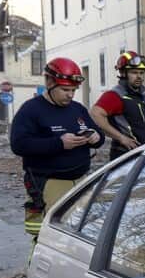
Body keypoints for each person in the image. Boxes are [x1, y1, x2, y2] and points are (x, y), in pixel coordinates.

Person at [10, 57, 104, 241]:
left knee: (79, 233)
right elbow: (19, 144)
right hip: (49, 182)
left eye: (73, 90)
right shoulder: (31, 110)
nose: (70, 95)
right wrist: (59, 143)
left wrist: (96, 137)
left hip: (81, 179)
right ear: (49, 82)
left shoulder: (78, 109)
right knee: (50, 237)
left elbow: (98, 135)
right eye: (65, 90)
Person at [90, 51, 145, 161]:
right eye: (134, 72)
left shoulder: (143, 96)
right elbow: (95, 114)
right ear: (122, 73)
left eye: (141, 73)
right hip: (125, 156)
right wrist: (121, 138)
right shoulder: (115, 95)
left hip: (144, 155)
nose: (139, 76)